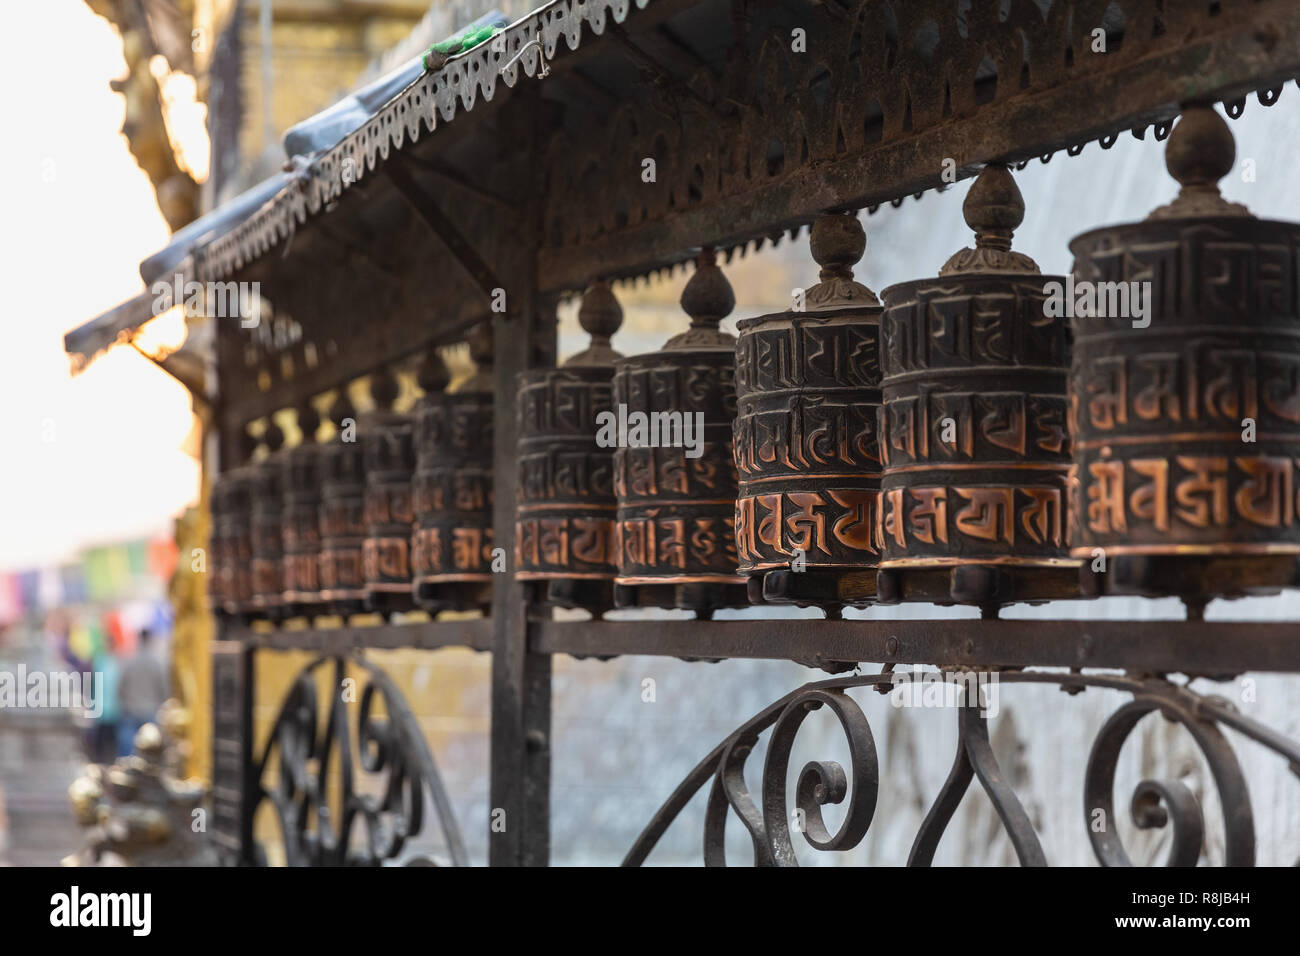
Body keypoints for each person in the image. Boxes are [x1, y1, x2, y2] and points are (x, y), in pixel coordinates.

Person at [115, 629, 168, 757]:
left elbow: (121, 687)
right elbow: (163, 688)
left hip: (130, 710)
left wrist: (125, 703)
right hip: (151, 711)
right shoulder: (157, 663)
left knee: (127, 751)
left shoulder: (129, 662)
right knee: (150, 750)